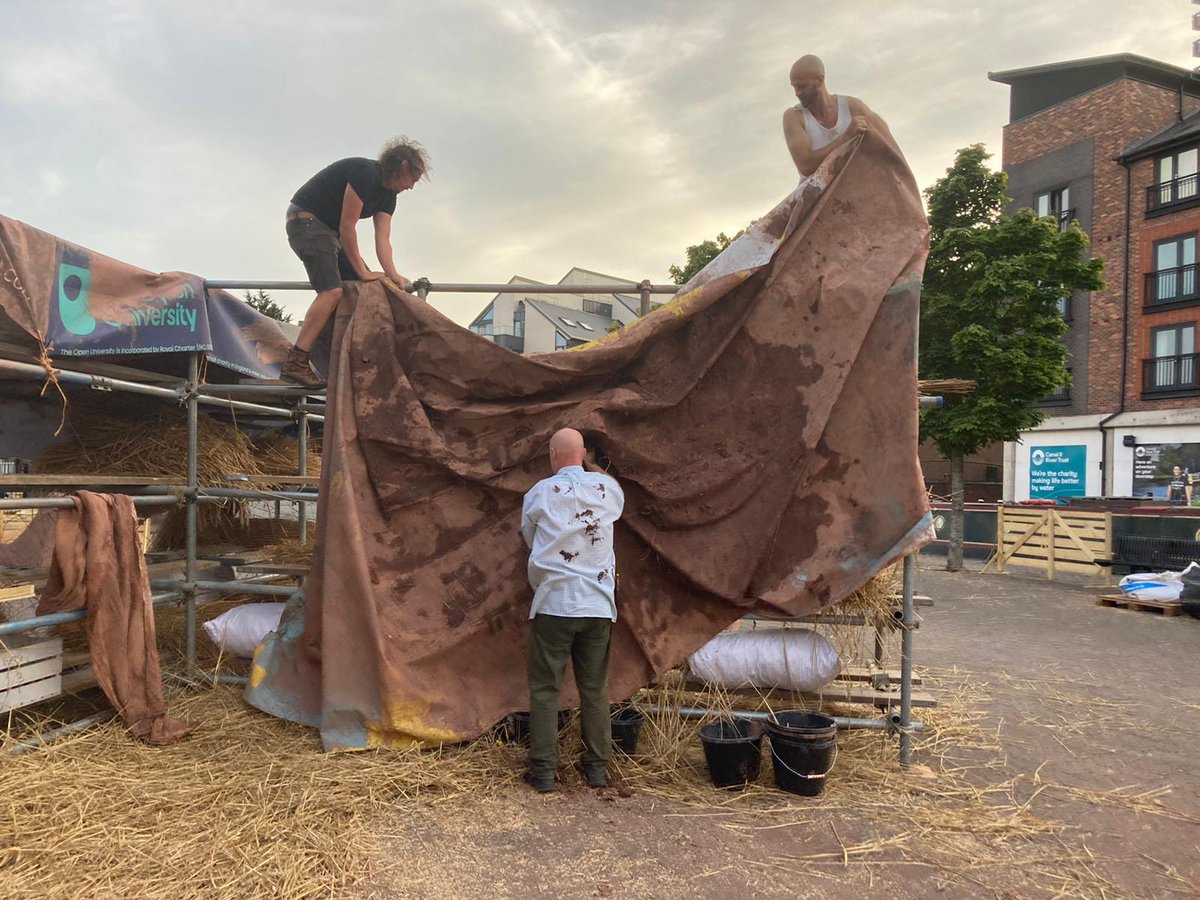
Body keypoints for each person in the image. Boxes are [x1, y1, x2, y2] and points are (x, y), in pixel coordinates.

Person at [519, 427, 625, 793]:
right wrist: (592, 465)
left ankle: (544, 774)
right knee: (594, 688)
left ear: (552, 454)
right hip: (597, 605)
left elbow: (531, 540)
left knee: (545, 690)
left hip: (553, 603)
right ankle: (596, 770)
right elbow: (614, 496)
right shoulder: (608, 490)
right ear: (583, 455)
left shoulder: (539, 494)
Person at [280, 137, 430, 386]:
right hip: (306, 222)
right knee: (332, 291)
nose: (412, 187)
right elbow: (347, 226)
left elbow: (383, 239)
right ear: (402, 166)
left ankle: (343, 358)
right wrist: (361, 270)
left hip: (330, 233)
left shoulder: (389, 197)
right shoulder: (365, 173)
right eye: (412, 179)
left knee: (367, 288)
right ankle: (296, 363)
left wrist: (393, 275)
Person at [782, 55, 899, 179]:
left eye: (802, 86)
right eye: (794, 87)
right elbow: (806, 166)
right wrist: (846, 137)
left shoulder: (853, 107)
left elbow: (885, 139)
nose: (797, 93)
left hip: (858, 187)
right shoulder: (794, 117)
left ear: (820, 81)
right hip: (821, 196)